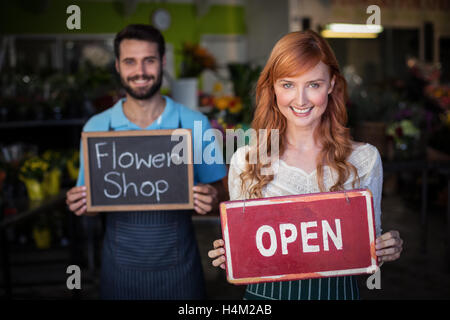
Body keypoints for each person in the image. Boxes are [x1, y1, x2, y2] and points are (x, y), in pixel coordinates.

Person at [208, 30, 403, 300]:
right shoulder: (246, 160)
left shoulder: (365, 159)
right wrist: (231, 255)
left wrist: (385, 248)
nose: (300, 100)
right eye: (288, 84)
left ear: (332, 84)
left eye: (314, 84)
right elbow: (246, 263)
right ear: (273, 87)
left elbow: (367, 255)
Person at [65, 24, 227, 299]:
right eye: (130, 61)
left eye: (149, 60)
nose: (140, 72)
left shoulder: (195, 123)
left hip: (181, 273)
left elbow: (222, 193)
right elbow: (92, 203)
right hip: (119, 273)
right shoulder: (97, 128)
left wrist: (211, 197)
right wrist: (80, 204)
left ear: (162, 62)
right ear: (117, 65)